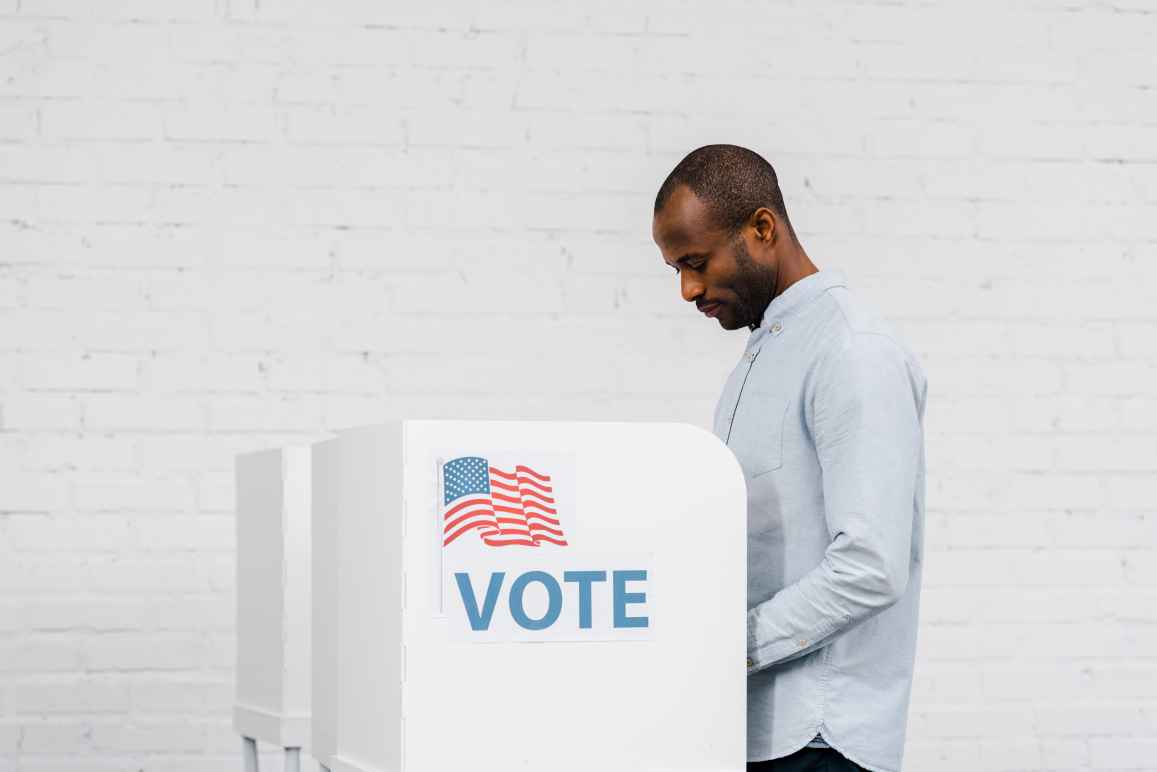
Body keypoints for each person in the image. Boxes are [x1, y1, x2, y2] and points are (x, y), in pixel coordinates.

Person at [651, 145, 928, 772]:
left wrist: (723, 648)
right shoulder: (762, 354)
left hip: (821, 739)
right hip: (751, 729)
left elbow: (871, 566)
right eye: (675, 269)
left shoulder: (853, 351)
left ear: (762, 229)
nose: (688, 288)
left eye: (696, 262)